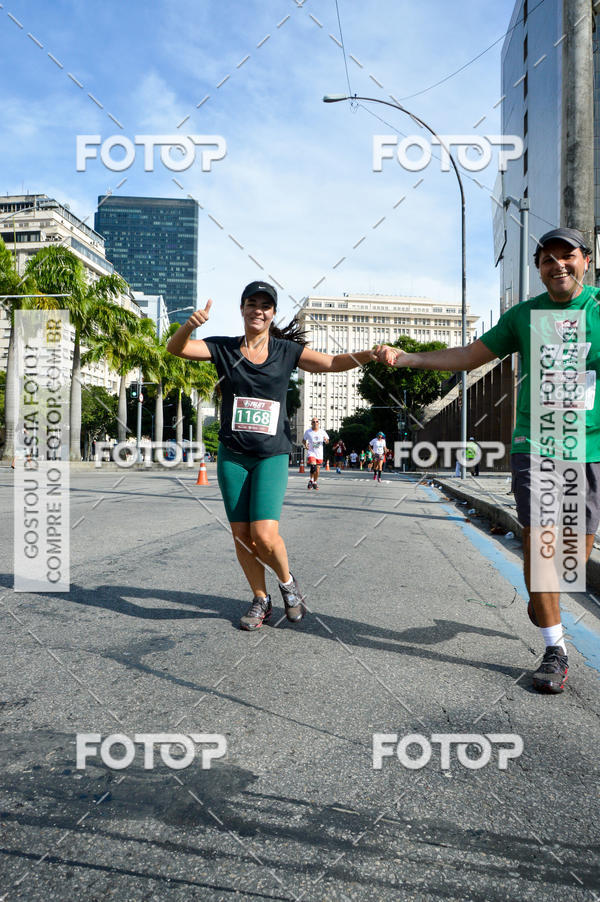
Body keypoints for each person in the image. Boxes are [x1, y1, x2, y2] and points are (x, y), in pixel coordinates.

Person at [374, 227, 597, 694]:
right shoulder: (524, 316)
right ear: (538, 269)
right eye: (547, 259)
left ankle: (543, 603)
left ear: (586, 260)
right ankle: (555, 648)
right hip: (534, 446)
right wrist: (408, 358)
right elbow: (469, 355)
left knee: (569, 561)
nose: (557, 265)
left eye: (567, 256)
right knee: (541, 548)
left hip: (590, 449)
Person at [167, 280, 376, 631]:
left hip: (271, 455)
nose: (258, 310)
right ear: (242, 309)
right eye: (251, 303)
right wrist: (190, 324)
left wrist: (368, 355)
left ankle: (288, 585)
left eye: (265, 305)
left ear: (273, 313)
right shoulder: (223, 347)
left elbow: (329, 362)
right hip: (232, 455)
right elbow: (178, 350)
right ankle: (260, 598)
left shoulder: (285, 351)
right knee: (241, 537)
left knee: (263, 535)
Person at [303, 417, 329, 490]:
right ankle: (311, 480)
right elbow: (303, 440)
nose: (315, 423)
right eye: (313, 422)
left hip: (319, 453)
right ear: (311, 423)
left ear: (318, 423)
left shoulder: (322, 432)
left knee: (317, 470)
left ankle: (315, 482)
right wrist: (306, 445)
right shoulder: (308, 432)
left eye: (317, 421)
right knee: (313, 466)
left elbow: (327, 441)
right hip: (311, 452)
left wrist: (326, 440)